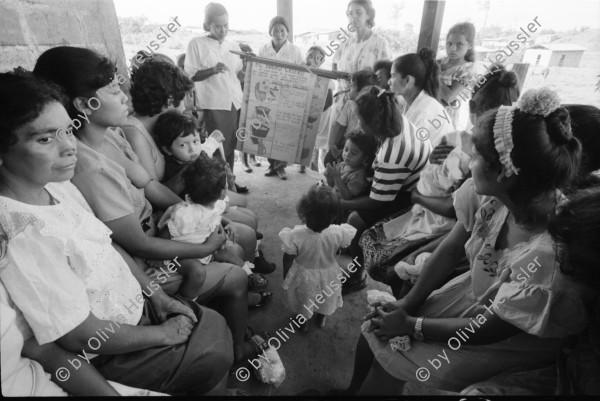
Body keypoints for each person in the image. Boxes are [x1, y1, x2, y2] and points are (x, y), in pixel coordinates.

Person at [343, 88, 596, 396]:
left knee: (391, 355)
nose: (468, 161)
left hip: (505, 335)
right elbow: (450, 250)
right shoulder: (494, 199)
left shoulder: (546, 258)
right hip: (477, 297)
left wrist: (412, 325)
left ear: (505, 172)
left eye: (477, 156)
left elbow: (487, 328)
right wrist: (407, 304)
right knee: (375, 329)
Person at [0, 70, 233, 395]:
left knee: (215, 333)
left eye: (68, 131)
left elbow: (108, 247)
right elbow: (79, 335)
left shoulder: (59, 188)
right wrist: (163, 335)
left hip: (138, 306)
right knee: (215, 350)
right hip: (110, 349)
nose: (69, 147)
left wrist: (158, 296)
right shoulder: (19, 233)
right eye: (44, 139)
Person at [32, 46, 267, 364]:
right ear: (84, 104)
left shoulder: (112, 134)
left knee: (233, 239)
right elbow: (136, 243)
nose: (125, 94)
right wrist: (201, 247)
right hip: (147, 261)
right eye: (114, 89)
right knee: (234, 271)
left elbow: (152, 187)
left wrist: (205, 215)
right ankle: (234, 351)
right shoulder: (89, 167)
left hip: (162, 228)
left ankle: (226, 321)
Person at [361, 66, 521, 297]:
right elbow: (435, 179)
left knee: (390, 262)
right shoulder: (492, 151)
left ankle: (404, 296)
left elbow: (452, 208)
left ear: (472, 108)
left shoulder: (470, 150)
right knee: (382, 247)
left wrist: (416, 196)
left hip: (442, 224)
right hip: (440, 216)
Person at [340, 86, 431, 294]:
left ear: (372, 124)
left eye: (360, 120)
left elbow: (377, 201)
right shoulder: (396, 120)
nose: (358, 123)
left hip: (411, 196)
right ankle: (353, 247)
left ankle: (357, 274)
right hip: (404, 181)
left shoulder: (394, 153)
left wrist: (341, 203)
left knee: (354, 220)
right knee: (352, 192)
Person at [157, 152, 272, 305]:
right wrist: (156, 259)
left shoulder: (215, 204)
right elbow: (164, 236)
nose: (227, 188)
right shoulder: (184, 215)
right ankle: (187, 303)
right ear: (221, 192)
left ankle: (249, 275)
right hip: (181, 256)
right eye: (225, 186)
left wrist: (228, 223)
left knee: (228, 253)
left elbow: (214, 217)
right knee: (197, 272)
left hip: (205, 247)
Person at [153, 109, 259, 231]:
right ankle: (253, 245)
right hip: (203, 207)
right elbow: (198, 203)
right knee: (249, 220)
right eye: (183, 145)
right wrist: (221, 204)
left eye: (195, 141)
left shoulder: (195, 157)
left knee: (244, 203)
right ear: (167, 149)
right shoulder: (177, 171)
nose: (192, 149)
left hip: (215, 198)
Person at [280, 183, 357, 330]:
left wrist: (286, 273)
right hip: (330, 273)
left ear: (303, 213)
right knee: (327, 297)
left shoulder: (296, 235)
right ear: (333, 216)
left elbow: (288, 257)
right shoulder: (339, 232)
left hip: (304, 276)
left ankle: (303, 321)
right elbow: (339, 248)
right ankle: (322, 316)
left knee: (304, 298)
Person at [184, 2, 244, 174]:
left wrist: (250, 68)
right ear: (207, 25)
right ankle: (218, 184)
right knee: (217, 146)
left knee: (231, 145)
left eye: (226, 25)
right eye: (217, 26)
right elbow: (191, 75)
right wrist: (213, 70)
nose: (223, 30)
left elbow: (238, 75)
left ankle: (229, 179)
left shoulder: (233, 46)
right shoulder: (196, 44)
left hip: (235, 102)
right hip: (215, 102)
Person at [259, 16, 304, 180]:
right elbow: (259, 69)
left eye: (282, 30)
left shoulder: (295, 50)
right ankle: (272, 165)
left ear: (287, 32)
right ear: (270, 31)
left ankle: (281, 167)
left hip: (287, 95)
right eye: (275, 30)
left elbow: (301, 72)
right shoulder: (264, 49)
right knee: (268, 129)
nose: (279, 34)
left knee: (283, 130)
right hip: (268, 95)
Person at [392, 48, 454, 143]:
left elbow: (406, 150)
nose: (389, 81)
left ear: (407, 80)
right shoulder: (407, 101)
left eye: (393, 76)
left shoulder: (425, 111)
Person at [327, 70, 377, 164]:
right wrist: (333, 148)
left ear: (363, 90)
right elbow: (339, 128)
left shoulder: (370, 110)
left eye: (352, 85)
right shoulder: (349, 105)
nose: (349, 88)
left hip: (360, 153)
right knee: (329, 160)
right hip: (347, 147)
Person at [438, 22, 477, 131]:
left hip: (443, 119)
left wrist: (434, 74)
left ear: (469, 45)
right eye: (449, 43)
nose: (452, 48)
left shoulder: (466, 70)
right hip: (426, 111)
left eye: (459, 44)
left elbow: (448, 97)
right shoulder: (440, 62)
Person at [324, 130, 378, 202]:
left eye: (353, 153)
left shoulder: (359, 176)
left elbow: (347, 196)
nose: (347, 155)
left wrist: (337, 177)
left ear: (364, 159)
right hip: (333, 199)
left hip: (341, 207)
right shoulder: (342, 164)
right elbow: (332, 186)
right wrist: (329, 177)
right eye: (346, 149)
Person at [306, 45, 335, 173]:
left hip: (322, 116)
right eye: (310, 55)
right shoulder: (301, 73)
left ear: (322, 61)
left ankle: (320, 173)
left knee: (320, 147)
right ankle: (305, 168)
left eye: (317, 58)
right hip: (306, 114)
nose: (312, 59)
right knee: (307, 145)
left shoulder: (326, 77)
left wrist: (315, 110)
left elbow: (329, 101)